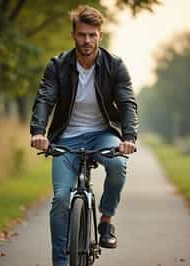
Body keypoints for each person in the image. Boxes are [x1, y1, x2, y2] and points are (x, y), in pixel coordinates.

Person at [30, 5, 138, 266]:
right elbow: (45, 98)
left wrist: (129, 138)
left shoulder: (115, 66)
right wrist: (38, 132)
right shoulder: (58, 65)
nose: (86, 41)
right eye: (81, 35)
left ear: (100, 35)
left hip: (102, 135)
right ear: (73, 35)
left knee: (117, 164)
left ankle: (106, 221)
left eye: (92, 35)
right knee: (59, 201)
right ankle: (60, 262)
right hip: (66, 138)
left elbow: (126, 103)